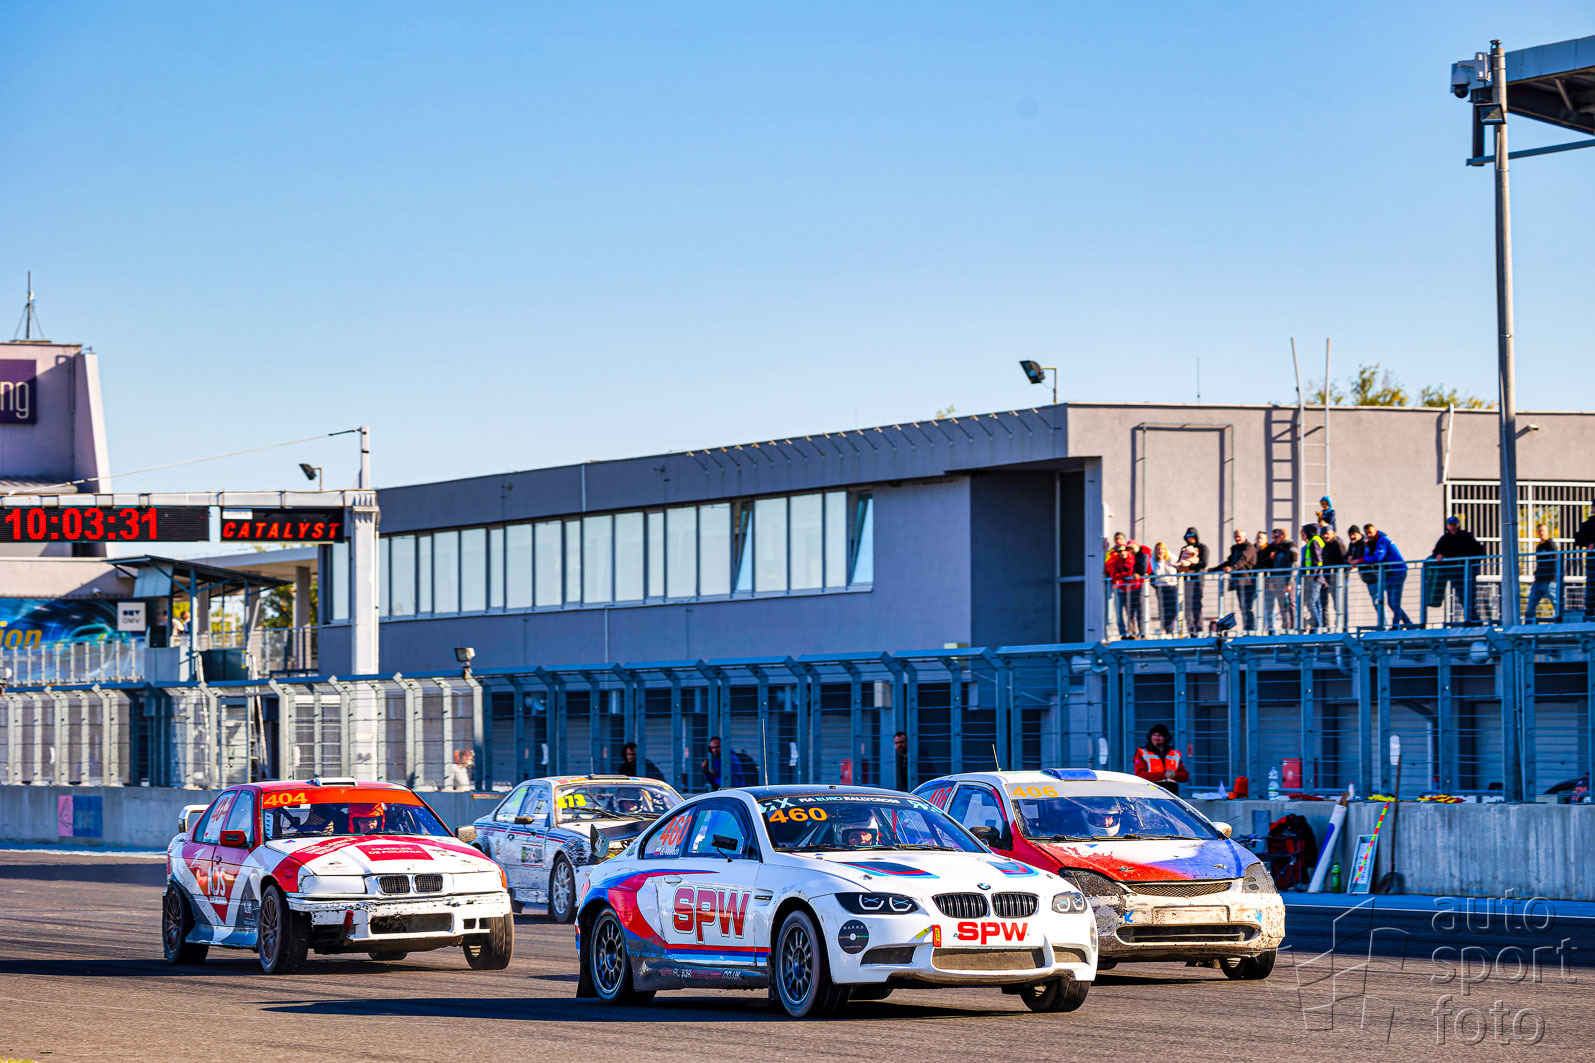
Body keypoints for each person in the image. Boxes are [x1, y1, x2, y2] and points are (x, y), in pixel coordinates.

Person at [1428, 515, 1486, 624]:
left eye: (1454, 524)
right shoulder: (1445, 539)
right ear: (1447, 526)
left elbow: (1479, 550)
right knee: (1462, 596)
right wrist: (1438, 555)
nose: (1453, 527)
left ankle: (1473, 620)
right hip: (1454, 573)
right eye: (1451, 525)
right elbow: (1436, 551)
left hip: (1467, 572)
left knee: (1469, 596)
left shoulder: (1466, 536)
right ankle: (1472, 620)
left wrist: (1472, 562)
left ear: (1458, 525)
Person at [1356, 522, 1413, 628]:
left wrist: (1361, 560)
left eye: (1370, 532)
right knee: (1391, 603)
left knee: (1394, 602)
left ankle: (1396, 625)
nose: (1369, 535)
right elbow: (1369, 556)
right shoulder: (1372, 543)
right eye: (1367, 533)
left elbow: (1378, 557)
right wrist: (1367, 550)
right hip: (1389, 575)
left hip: (1397, 573)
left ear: (1375, 531)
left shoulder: (1383, 540)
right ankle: (1407, 622)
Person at [1217, 529, 1259, 630]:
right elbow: (1230, 561)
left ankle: (1250, 629)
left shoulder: (1249, 547)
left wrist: (1232, 568)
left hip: (1247, 582)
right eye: (1236, 536)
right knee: (1242, 607)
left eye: (1239, 536)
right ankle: (1246, 628)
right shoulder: (1235, 548)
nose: (1237, 538)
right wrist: (1215, 569)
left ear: (1244, 537)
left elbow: (1243, 560)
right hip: (1238, 582)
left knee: (1247, 607)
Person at [1104, 532, 1143, 638]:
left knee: (1138, 612)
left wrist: (1126, 575)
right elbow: (1113, 573)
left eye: (1123, 550)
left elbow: (1138, 569)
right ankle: (1128, 634)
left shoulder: (1132, 557)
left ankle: (1141, 633)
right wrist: (1126, 575)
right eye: (1119, 551)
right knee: (1125, 613)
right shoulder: (1114, 557)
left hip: (1135, 588)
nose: (1122, 553)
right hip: (1122, 589)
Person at [1133, 723, 1189, 794]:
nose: (1156, 738)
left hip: (1171, 790)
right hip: (1150, 788)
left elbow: (1185, 776)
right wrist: (1164, 775)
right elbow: (1140, 775)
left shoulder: (1174, 754)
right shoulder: (1142, 752)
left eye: (1160, 735)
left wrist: (1175, 775)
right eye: (1154, 735)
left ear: (1166, 738)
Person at [1525, 523, 1561, 623]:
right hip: (1539, 580)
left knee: (1556, 602)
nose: (1541, 533)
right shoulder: (1539, 547)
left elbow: (1555, 560)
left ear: (1547, 532)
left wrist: (1552, 576)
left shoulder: (1551, 544)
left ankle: (1560, 622)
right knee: (1531, 603)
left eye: (1543, 531)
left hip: (1549, 581)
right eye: (1539, 531)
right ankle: (1528, 624)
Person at [1175, 527, 1209, 634]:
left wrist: (1190, 567)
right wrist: (1180, 568)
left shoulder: (1202, 548)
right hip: (1186, 581)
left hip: (1197, 580)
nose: (1191, 538)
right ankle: (1191, 630)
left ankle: (1198, 629)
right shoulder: (1184, 549)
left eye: (1193, 535)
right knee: (1187, 606)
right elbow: (1180, 562)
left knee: (1196, 605)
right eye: (1188, 536)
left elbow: (1203, 563)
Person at [1263, 528, 1297, 631]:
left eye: (1276, 537)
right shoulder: (1277, 548)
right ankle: (1286, 626)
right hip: (1278, 581)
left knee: (1290, 604)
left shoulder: (1291, 546)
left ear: (1282, 536)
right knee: (1282, 605)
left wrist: (1289, 583)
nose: (1274, 540)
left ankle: (1292, 628)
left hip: (1287, 581)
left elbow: (1294, 565)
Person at [1300, 524, 1327, 630]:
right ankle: (1317, 625)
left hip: (1315, 578)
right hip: (1317, 576)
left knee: (1311, 602)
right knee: (1315, 602)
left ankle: (1317, 626)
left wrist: (1313, 574)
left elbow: (1317, 560)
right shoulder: (1317, 540)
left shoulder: (1314, 541)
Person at [1150, 542, 1180, 635]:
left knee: (1174, 609)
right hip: (1161, 587)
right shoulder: (1153, 559)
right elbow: (1158, 573)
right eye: (1158, 549)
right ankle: (1165, 630)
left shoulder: (1172, 557)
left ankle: (1169, 629)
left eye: (1162, 549)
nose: (1160, 551)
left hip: (1172, 586)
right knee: (1164, 609)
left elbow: (1177, 569)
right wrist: (1161, 561)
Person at [1320, 525, 1346, 629]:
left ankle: (1342, 626)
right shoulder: (1325, 547)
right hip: (1332, 578)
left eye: (1327, 533)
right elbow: (1325, 565)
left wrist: (1343, 575)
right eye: (1323, 534)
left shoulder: (1338, 544)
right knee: (1336, 603)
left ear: (1333, 534)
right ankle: (1338, 625)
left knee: (1340, 603)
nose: (1325, 536)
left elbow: (1344, 561)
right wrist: (1326, 580)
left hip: (1339, 577)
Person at [1577, 508, 1595, 622]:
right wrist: (1589, 543)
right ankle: (1590, 613)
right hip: (1592, 562)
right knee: (1592, 585)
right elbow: (1579, 539)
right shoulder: (1589, 524)